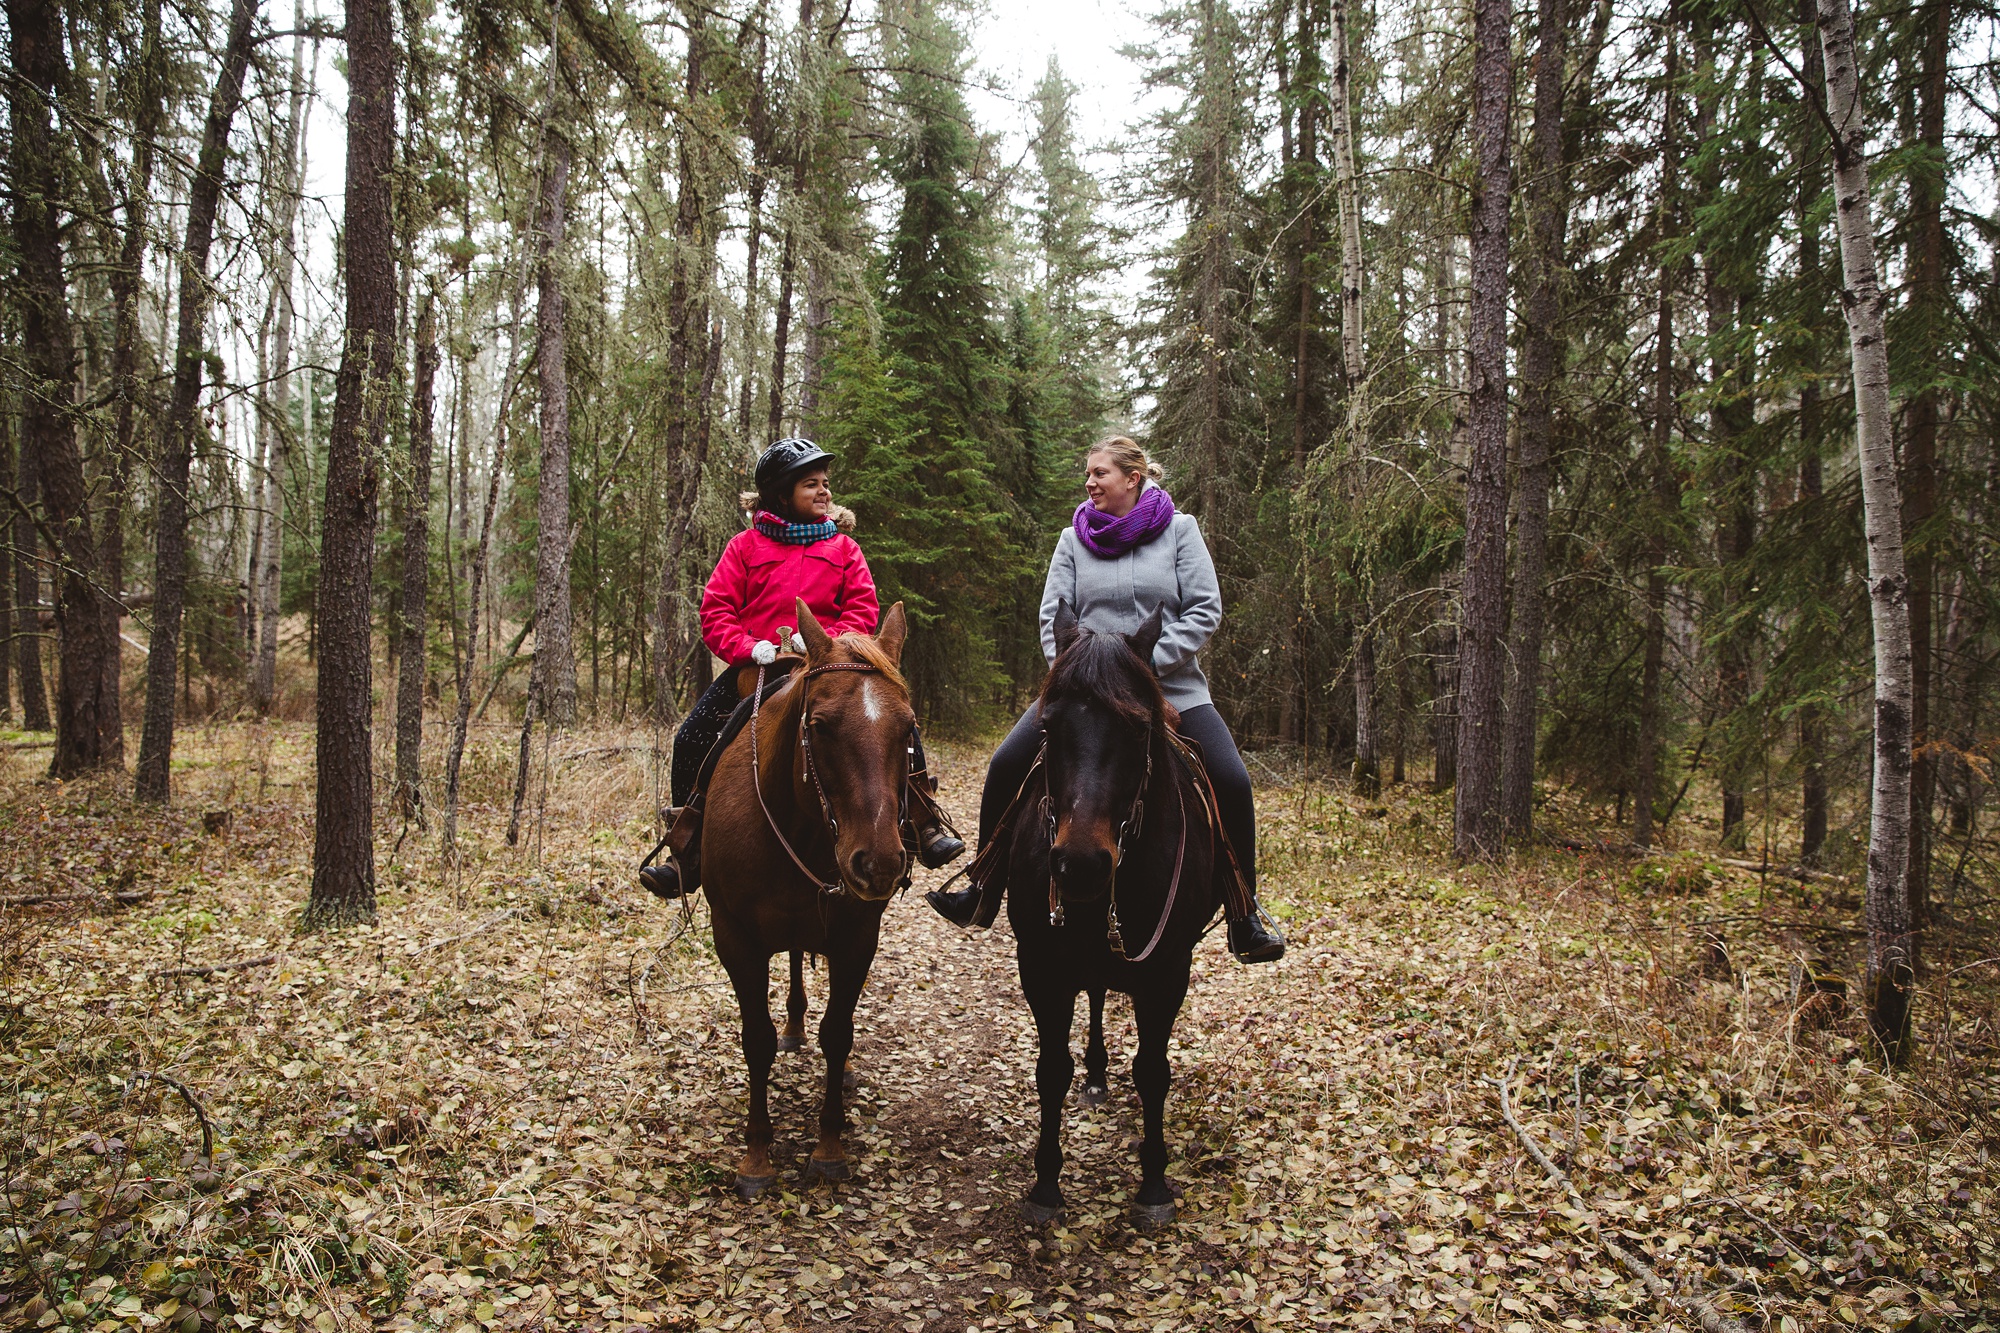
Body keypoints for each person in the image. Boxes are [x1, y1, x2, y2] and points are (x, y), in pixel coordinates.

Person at [925, 437, 1285, 963]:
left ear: (1133, 477)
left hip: (1174, 687)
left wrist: (1139, 672)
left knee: (1231, 780)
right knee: (1006, 763)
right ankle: (983, 886)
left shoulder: (1180, 532)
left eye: (1100, 473)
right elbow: (1054, 620)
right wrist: (1078, 675)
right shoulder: (1072, 540)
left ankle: (1243, 911)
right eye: (1087, 475)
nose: (1090, 483)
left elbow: (1204, 610)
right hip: (1082, 692)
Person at [640, 438, 964, 900]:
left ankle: (923, 822)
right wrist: (751, 647)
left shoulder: (844, 548)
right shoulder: (744, 547)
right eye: (810, 484)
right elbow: (716, 611)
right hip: (760, 671)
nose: (823, 492)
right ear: (779, 494)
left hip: (833, 671)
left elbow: (861, 608)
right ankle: (686, 848)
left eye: (825, 483)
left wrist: (832, 649)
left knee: (898, 728)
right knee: (691, 736)